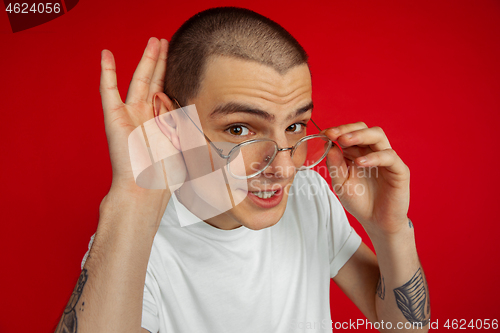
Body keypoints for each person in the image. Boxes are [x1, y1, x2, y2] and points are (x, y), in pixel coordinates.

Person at [55, 7, 430, 333]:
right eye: (240, 129)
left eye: (296, 126)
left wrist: (390, 229)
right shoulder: (138, 247)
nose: (283, 169)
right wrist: (135, 196)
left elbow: (405, 328)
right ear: (172, 125)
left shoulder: (310, 197)